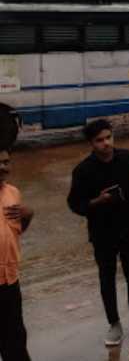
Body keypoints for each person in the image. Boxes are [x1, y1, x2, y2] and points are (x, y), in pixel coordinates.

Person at [67, 119, 129, 348]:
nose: (105, 143)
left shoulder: (127, 158)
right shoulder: (83, 170)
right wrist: (98, 201)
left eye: (108, 137)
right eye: (99, 140)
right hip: (102, 233)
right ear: (91, 143)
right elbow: (75, 204)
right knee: (107, 279)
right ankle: (114, 324)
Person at [0, 150, 34, 361]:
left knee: (16, 341)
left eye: (6, 162)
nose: (3, 167)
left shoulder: (13, 192)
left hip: (10, 280)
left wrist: (28, 215)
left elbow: (16, 231)